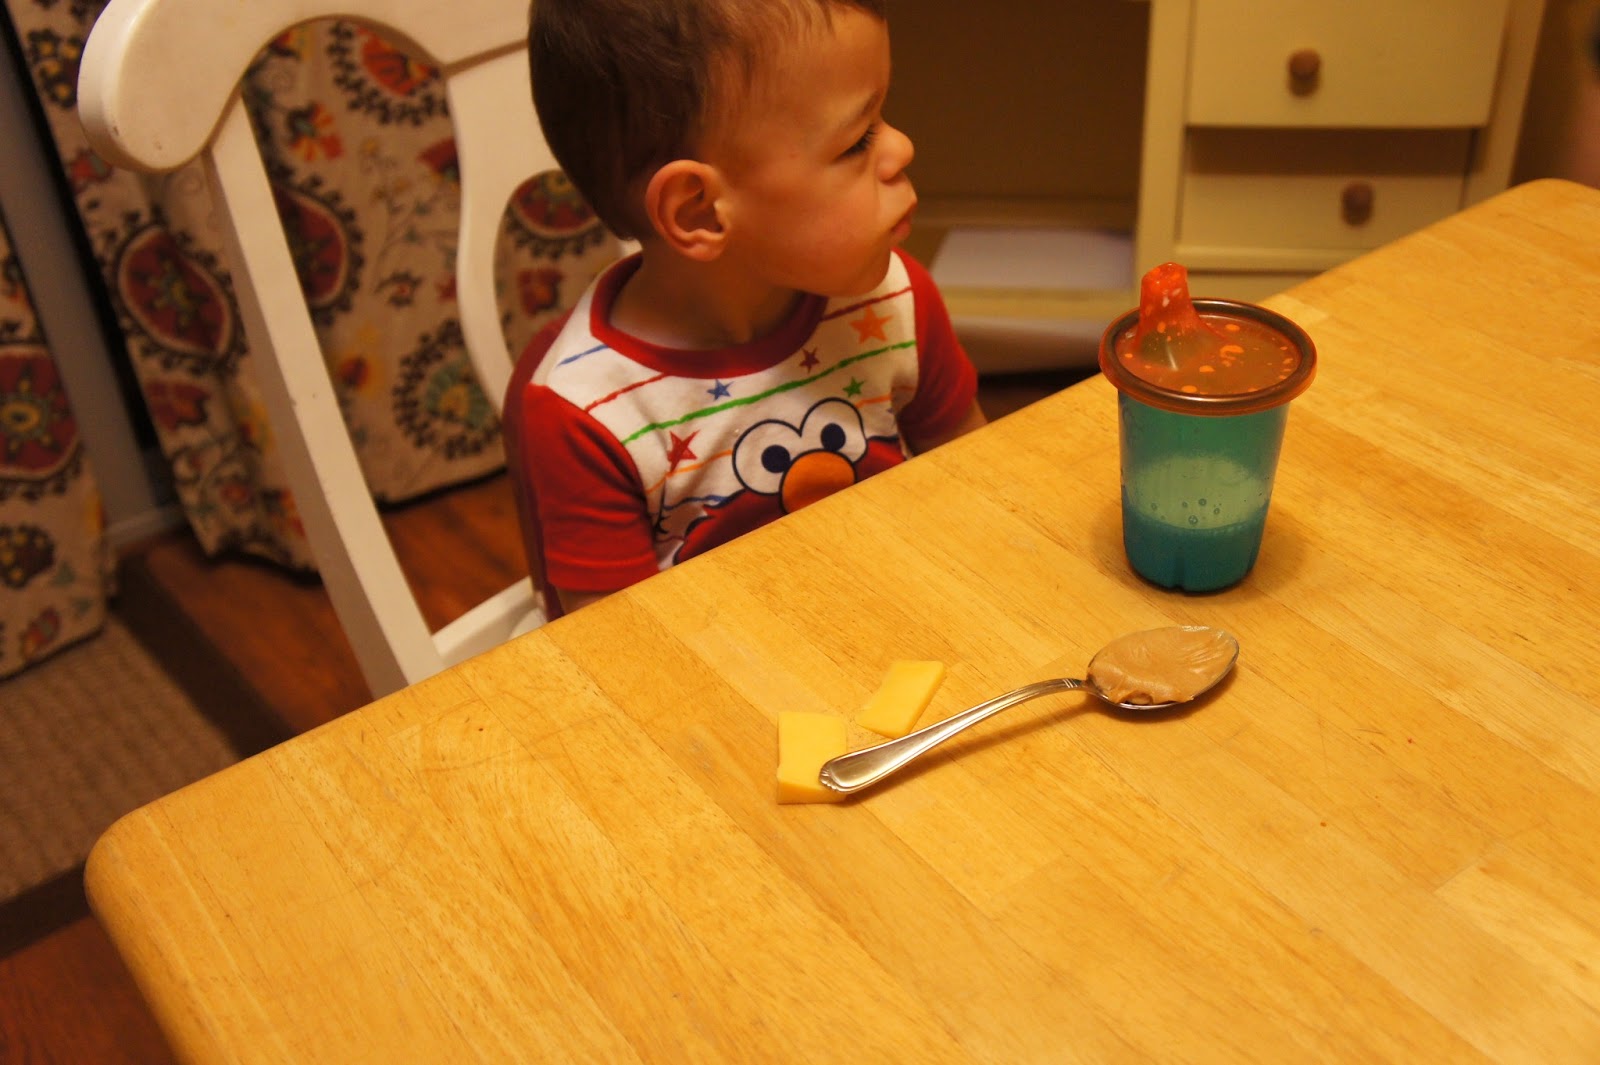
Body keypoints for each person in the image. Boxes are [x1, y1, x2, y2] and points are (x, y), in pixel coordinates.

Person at [507, 0, 987, 617]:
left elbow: (979, 493)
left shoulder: (892, 301)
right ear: (700, 211)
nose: (901, 147)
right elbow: (617, 651)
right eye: (857, 141)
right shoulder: (585, 416)